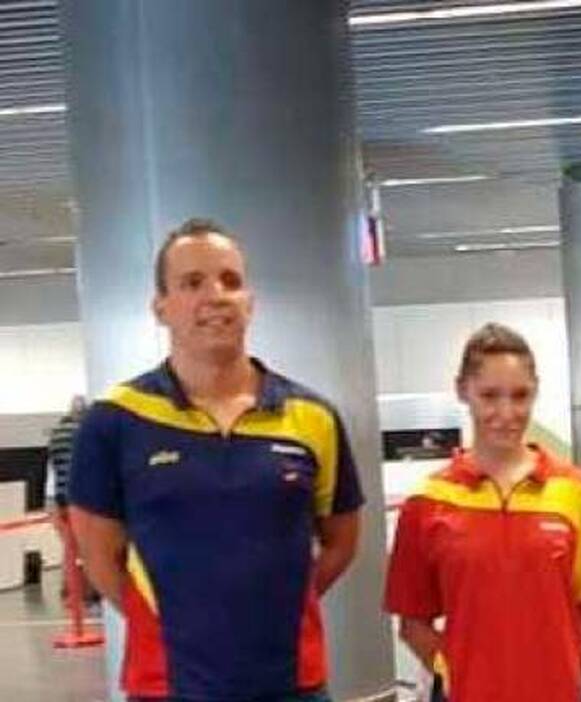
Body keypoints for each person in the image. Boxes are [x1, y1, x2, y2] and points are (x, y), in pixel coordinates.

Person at [69, 218, 363, 702]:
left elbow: (341, 542)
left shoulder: (313, 417)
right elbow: (101, 560)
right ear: (161, 307)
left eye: (230, 280)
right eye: (192, 283)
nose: (216, 296)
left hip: (292, 684)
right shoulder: (115, 421)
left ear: (250, 301)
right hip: (168, 686)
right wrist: (176, 626)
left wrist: (276, 611)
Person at [384, 323, 581, 702]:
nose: (506, 413)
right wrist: (458, 673)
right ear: (463, 391)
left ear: (535, 391)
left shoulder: (574, 491)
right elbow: (413, 622)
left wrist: (552, 666)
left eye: (520, 395)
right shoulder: (428, 501)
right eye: (489, 396)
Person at [47, 394, 91, 605]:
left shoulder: (56, 433)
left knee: (70, 548)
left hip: (57, 499)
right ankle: (85, 593)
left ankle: (70, 592)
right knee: (87, 548)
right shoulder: (81, 433)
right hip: (77, 498)